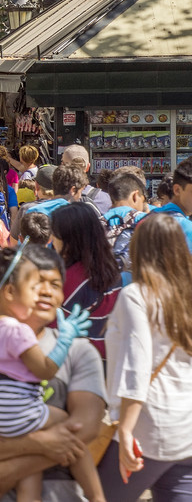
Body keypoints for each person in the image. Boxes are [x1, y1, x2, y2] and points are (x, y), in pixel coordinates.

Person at [0, 243, 106, 502]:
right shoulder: (21, 336)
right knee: (62, 422)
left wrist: (15, 466)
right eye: (37, 284)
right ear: (13, 290)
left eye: (55, 284)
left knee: (29, 484)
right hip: (23, 419)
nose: (46, 292)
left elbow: (89, 425)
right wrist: (65, 339)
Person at [100, 213, 192, 500]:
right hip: (186, 429)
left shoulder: (137, 296)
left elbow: (136, 366)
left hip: (147, 427)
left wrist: (125, 431)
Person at [50, 202, 122, 359]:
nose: (52, 239)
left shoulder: (70, 279)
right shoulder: (112, 268)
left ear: (68, 240)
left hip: (78, 360)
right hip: (109, 355)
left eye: (54, 234)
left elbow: (52, 327)